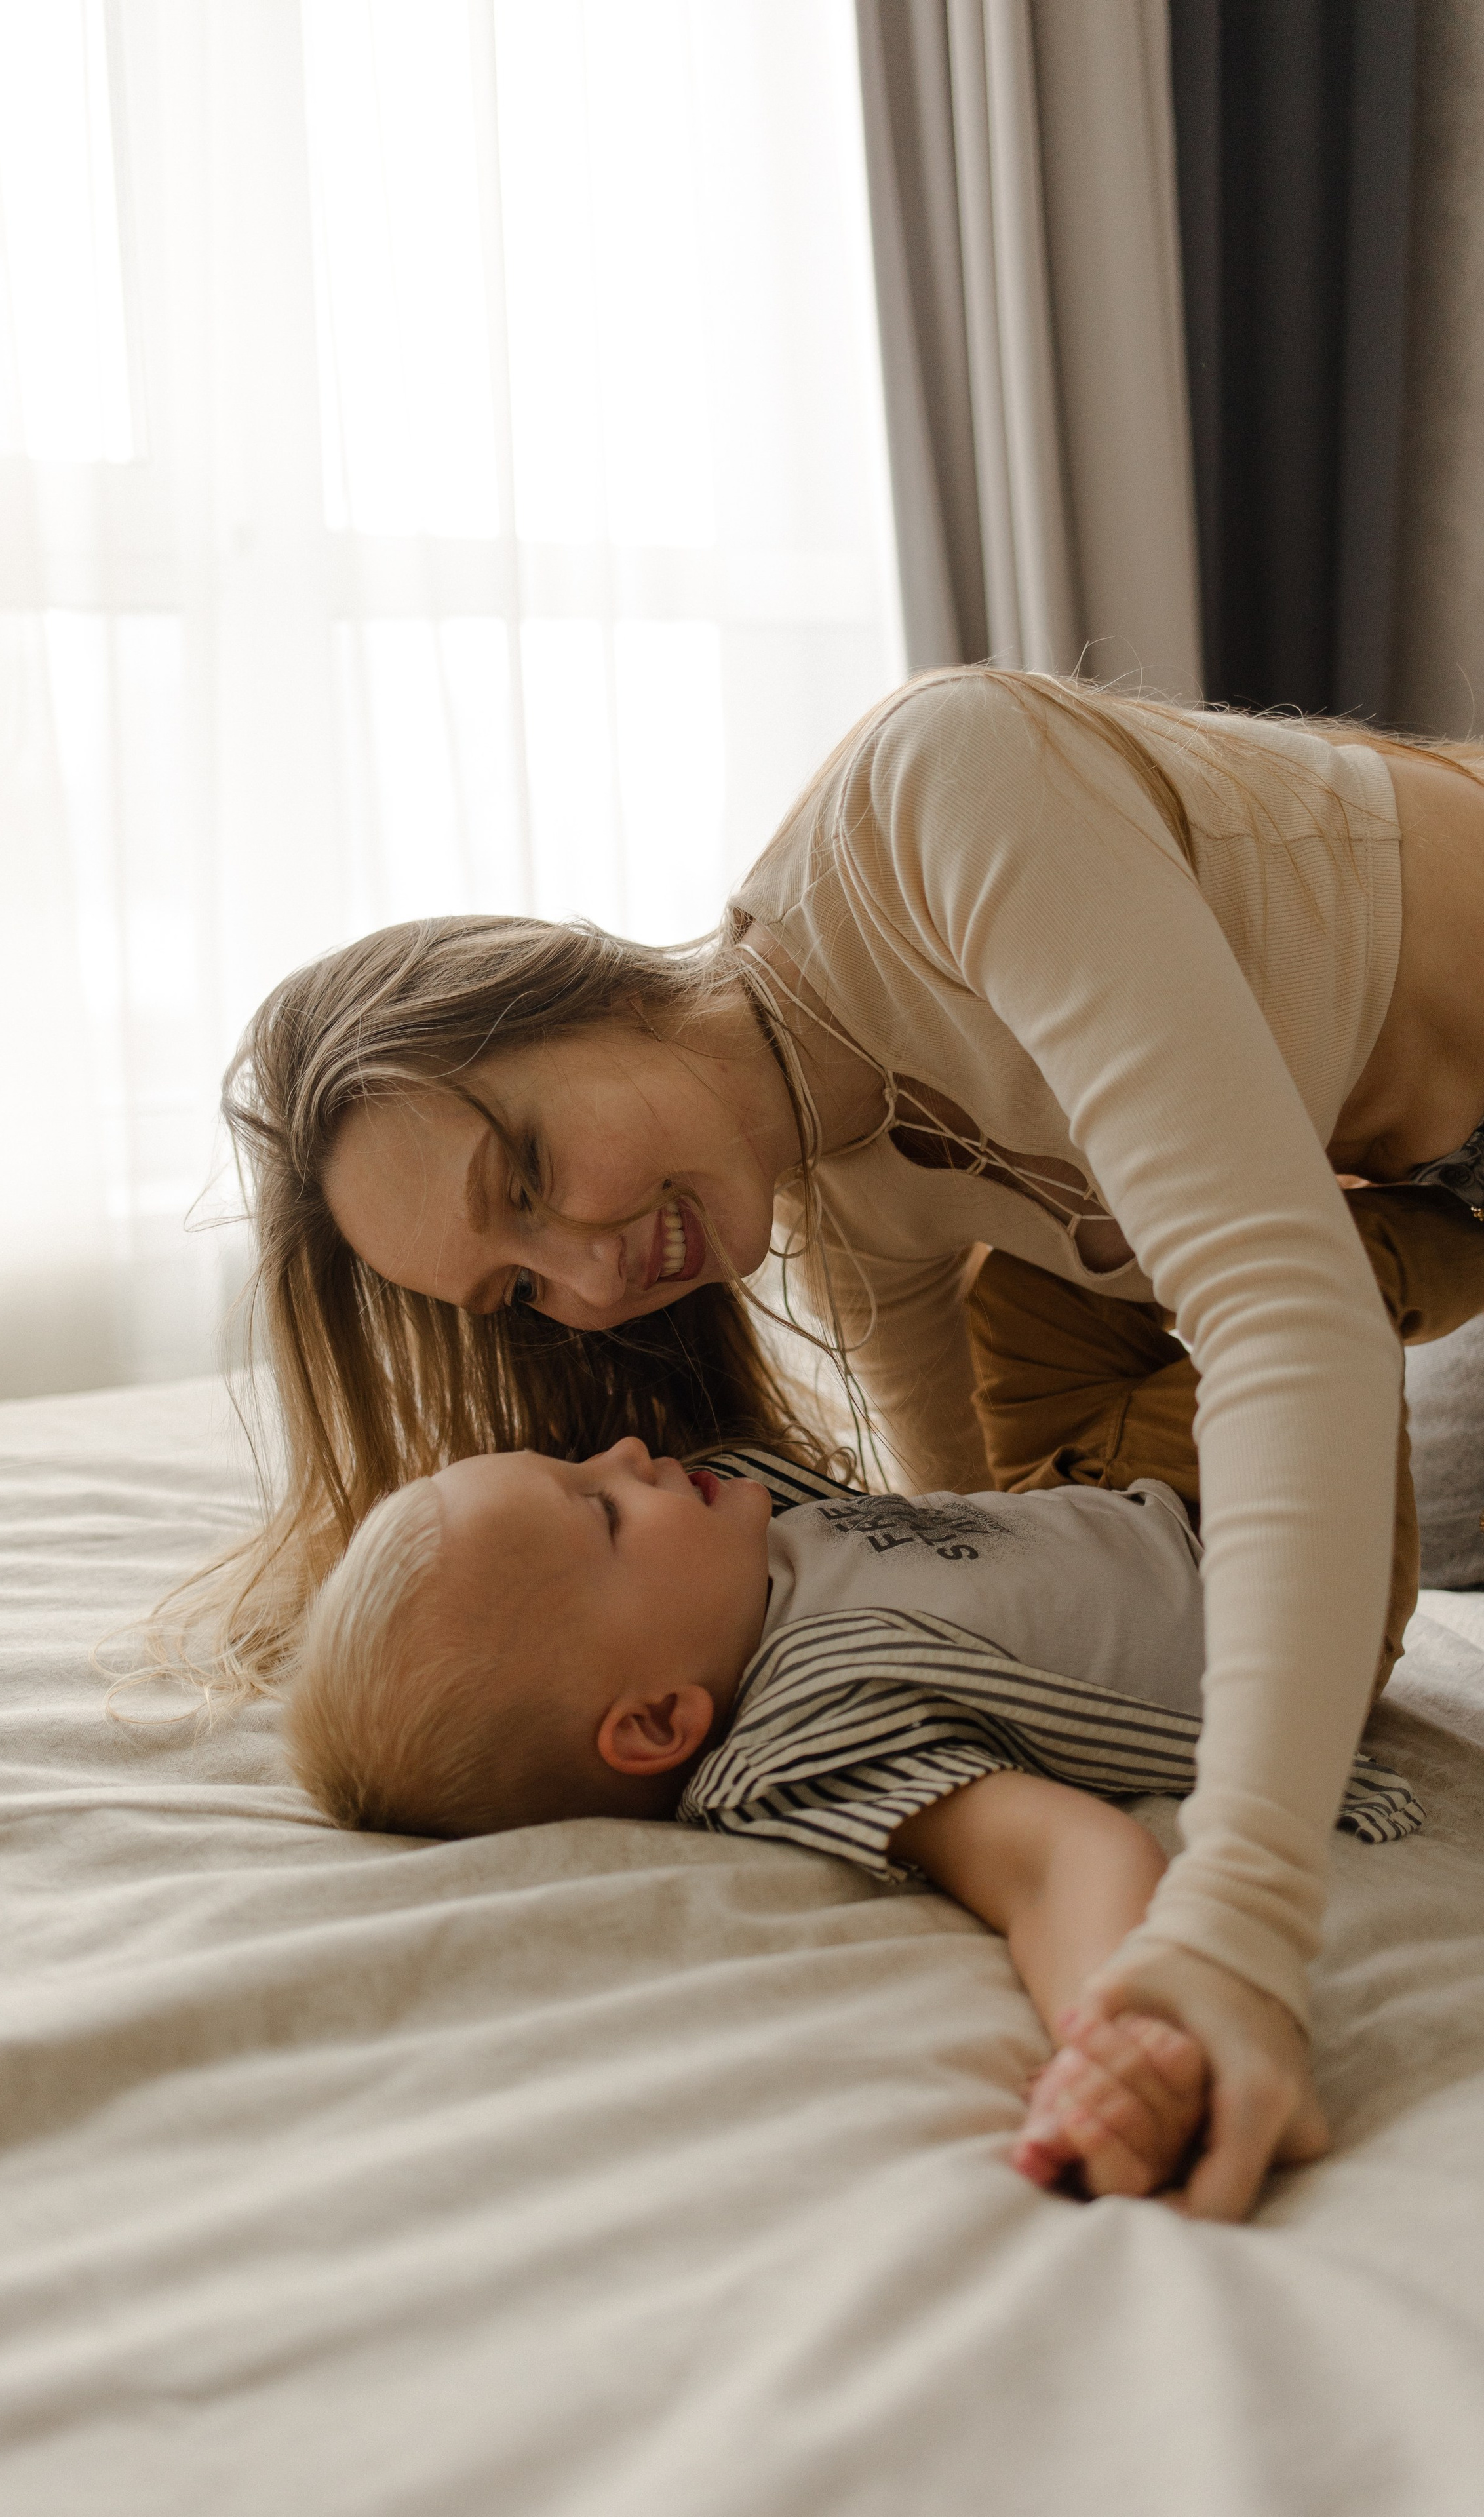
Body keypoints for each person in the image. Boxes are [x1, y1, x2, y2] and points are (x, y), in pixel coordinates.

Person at [172, 666, 1484, 2222]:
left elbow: (1281, 1317)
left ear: (577, 992)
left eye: (524, 1173)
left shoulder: (944, 791)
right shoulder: (847, 1225)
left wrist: (1238, 1925)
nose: (587, 1282)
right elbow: (988, 1532)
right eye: (518, 1290)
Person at [281, 1436, 1418, 2208]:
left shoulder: (736, 1553)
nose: (626, 1452)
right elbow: (1049, 1863)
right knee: (1332, 1273)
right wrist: (1118, 2035)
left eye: (576, 1461)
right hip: (1304, 1575)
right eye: (603, 1508)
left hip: (1139, 1461)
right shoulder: (810, 1723)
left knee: (1034, 1257)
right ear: (661, 1723)